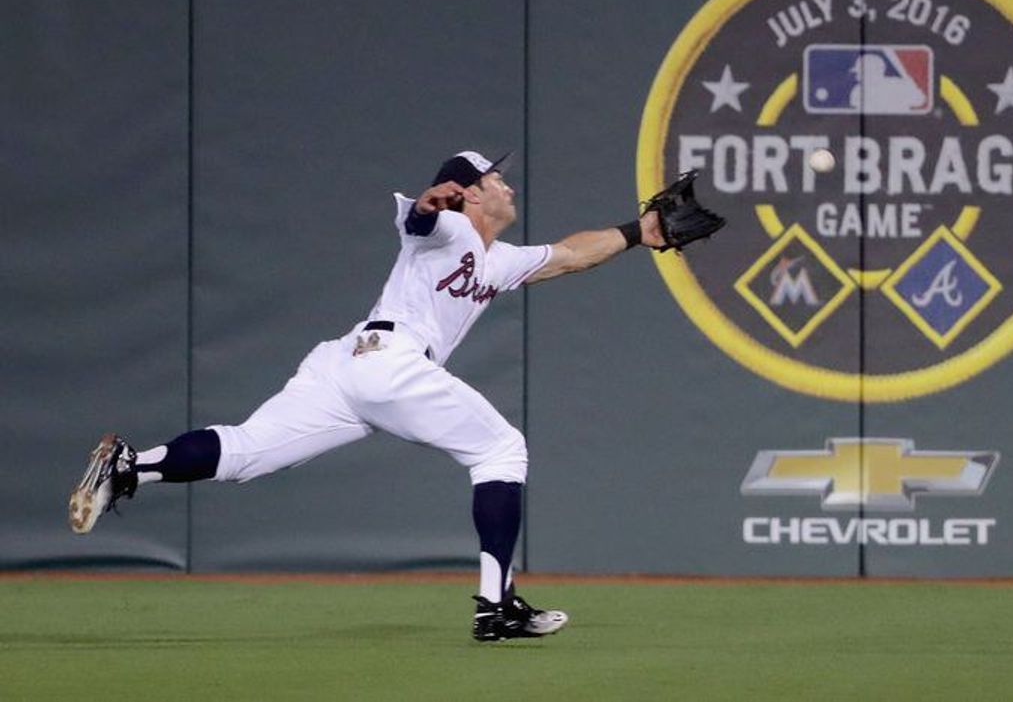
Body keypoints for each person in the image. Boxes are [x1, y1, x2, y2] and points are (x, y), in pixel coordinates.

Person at [69, 150, 665, 642]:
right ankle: (496, 604)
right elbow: (421, 221)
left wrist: (640, 232)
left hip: (346, 365)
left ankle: (131, 466)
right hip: (391, 363)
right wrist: (432, 206)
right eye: (495, 178)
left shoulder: (500, 259)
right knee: (502, 452)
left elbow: (571, 255)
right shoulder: (449, 227)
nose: (507, 184)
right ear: (469, 194)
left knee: (247, 453)